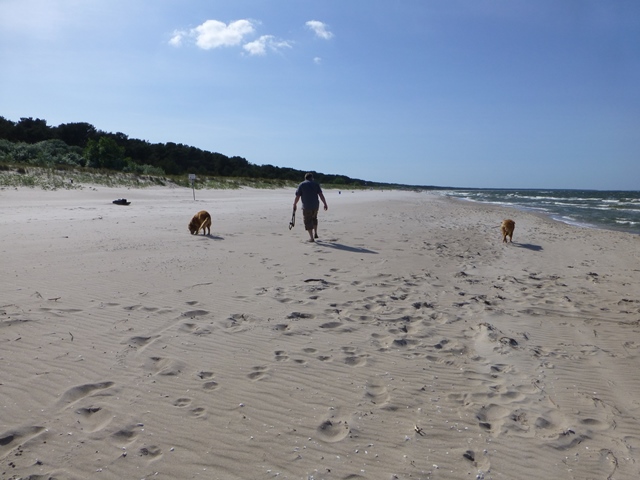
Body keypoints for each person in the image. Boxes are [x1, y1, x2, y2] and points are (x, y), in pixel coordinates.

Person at [293, 172, 328, 242]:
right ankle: (315, 233)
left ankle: (311, 238)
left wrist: (294, 204)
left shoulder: (302, 184)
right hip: (315, 205)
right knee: (314, 218)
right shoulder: (316, 184)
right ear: (312, 178)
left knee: (308, 221)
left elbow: (298, 196)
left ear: (305, 178)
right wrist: (325, 203)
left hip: (306, 206)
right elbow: (321, 195)